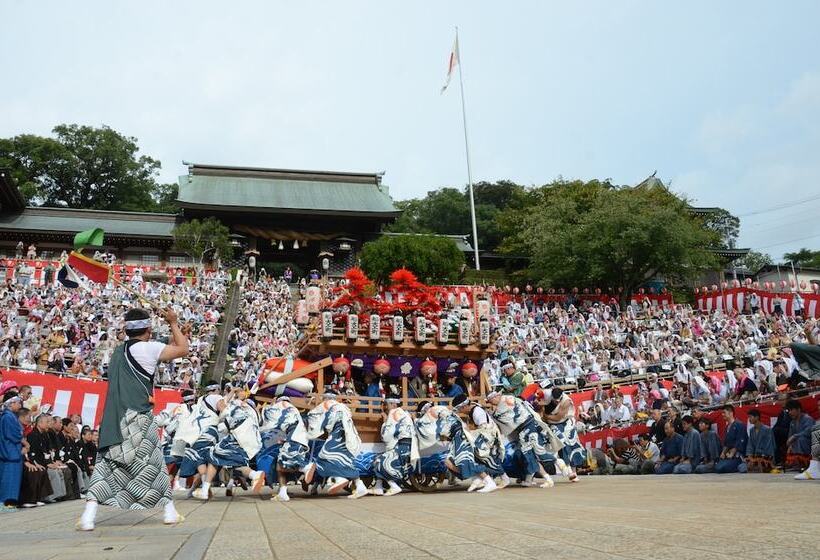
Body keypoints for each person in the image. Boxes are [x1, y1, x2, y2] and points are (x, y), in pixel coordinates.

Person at [77, 307, 188, 531]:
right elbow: (183, 349)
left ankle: (88, 517)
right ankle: (169, 512)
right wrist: (174, 323)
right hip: (138, 416)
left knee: (105, 467)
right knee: (154, 464)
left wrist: (174, 330)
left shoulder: (118, 352)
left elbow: (156, 347)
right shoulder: (150, 349)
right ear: (148, 329)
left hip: (114, 418)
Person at [192, 392, 266, 501]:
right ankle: (254, 475)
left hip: (238, 436)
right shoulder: (253, 410)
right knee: (237, 464)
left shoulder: (233, 404)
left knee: (214, 456)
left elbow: (227, 420)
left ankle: (205, 490)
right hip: (252, 440)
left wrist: (220, 425)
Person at [304, 391, 369, 499]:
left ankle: (339, 479)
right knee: (346, 461)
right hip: (348, 437)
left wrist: (308, 433)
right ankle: (360, 485)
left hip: (338, 435)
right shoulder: (342, 407)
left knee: (325, 456)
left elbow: (317, 419)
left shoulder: (326, 405)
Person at [489, 391, 560, 488]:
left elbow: (500, 417)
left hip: (527, 428)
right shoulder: (511, 398)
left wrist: (491, 414)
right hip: (527, 428)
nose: (491, 403)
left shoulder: (503, 403)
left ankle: (553, 468)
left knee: (535, 454)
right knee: (531, 455)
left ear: (495, 397)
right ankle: (541, 477)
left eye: (490, 400)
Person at [258, 396, 310, 502]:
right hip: (301, 439)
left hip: (293, 440)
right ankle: (283, 492)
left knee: (281, 466)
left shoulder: (278, 407)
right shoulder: (294, 409)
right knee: (280, 464)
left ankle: (305, 468)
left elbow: (270, 425)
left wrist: (258, 428)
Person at [371, 398, 419, 496]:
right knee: (379, 458)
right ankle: (378, 487)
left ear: (393, 405)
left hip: (403, 446)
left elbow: (386, 436)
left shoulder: (393, 412)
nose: (385, 407)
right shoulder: (405, 413)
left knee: (380, 460)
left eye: (386, 404)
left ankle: (394, 486)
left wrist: (384, 422)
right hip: (409, 446)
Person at [541, 382, 584, 480]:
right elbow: (541, 408)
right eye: (554, 400)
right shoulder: (546, 396)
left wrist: (546, 416)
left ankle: (574, 471)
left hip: (565, 423)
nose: (556, 402)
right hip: (552, 425)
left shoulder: (566, 401)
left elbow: (558, 417)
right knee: (561, 444)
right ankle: (568, 470)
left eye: (558, 400)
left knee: (573, 445)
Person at [0, 394, 24, 511]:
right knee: (9, 479)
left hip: (13, 451)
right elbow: (14, 434)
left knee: (12, 479)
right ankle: (5, 503)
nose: (20, 405)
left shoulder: (10, 416)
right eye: (18, 403)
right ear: (11, 403)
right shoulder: (7, 417)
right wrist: (21, 435)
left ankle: (9, 503)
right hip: (10, 452)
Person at [715, 404, 748, 473]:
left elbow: (740, 441)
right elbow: (726, 443)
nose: (722, 415)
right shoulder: (727, 427)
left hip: (737, 455)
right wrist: (723, 453)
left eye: (724, 413)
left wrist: (732, 453)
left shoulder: (740, 425)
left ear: (731, 413)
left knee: (721, 468)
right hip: (728, 454)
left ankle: (741, 464)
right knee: (717, 467)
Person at [785, 399, 815, 471]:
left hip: (810, 444)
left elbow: (808, 432)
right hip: (797, 445)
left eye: (791, 410)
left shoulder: (808, 419)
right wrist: (789, 444)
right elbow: (790, 437)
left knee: (801, 439)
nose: (789, 412)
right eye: (788, 410)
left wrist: (795, 436)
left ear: (798, 409)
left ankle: (805, 463)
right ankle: (796, 463)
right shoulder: (792, 422)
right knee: (791, 443)